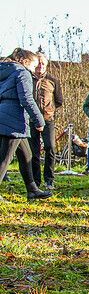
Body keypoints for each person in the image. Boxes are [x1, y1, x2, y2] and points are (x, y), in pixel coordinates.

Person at [0, 49, 51, 201]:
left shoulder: (6, 72)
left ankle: (32, 189)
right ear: (26, 61)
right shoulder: (22, 73)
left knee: (26, 155)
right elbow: (27, 99)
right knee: (4, 159)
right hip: (14, 119)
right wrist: (39, 120)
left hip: (6, 116)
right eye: (34, 65)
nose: (35, 69)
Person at [30, 52, 63, 190]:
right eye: (38, 64)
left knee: (50, 147)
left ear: (46, 65)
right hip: (31, 120)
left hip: (48, 119)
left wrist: (49, 109)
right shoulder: (27, 78)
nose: (40, 66)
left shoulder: (53, 80)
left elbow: (59, 100)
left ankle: (49, 179)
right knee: (33, 151)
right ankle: (35, 182)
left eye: (43, 63)